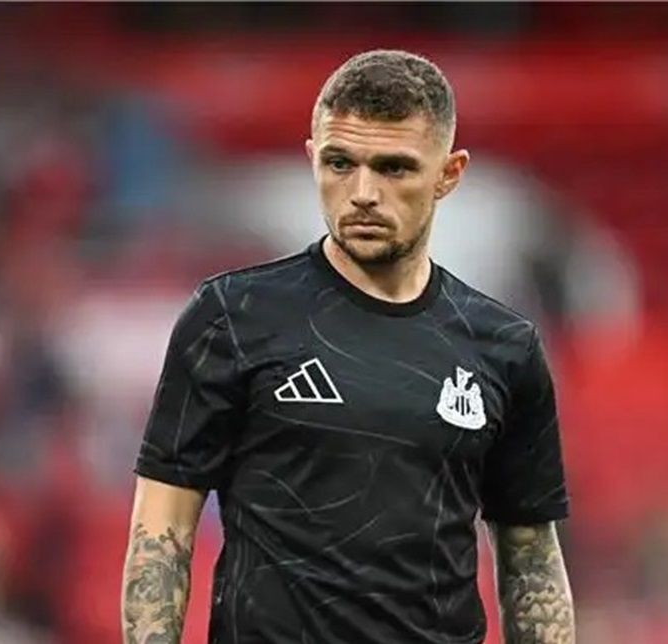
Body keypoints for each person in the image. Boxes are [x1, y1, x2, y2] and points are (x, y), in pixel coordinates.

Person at [121, 49, 574, 644]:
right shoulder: (233, 317)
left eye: (394, 168)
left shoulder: (504, 347)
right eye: (340, 163)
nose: (362, 192)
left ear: (448, 174)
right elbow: (162, 532)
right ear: (313, 158)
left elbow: (530, 558)